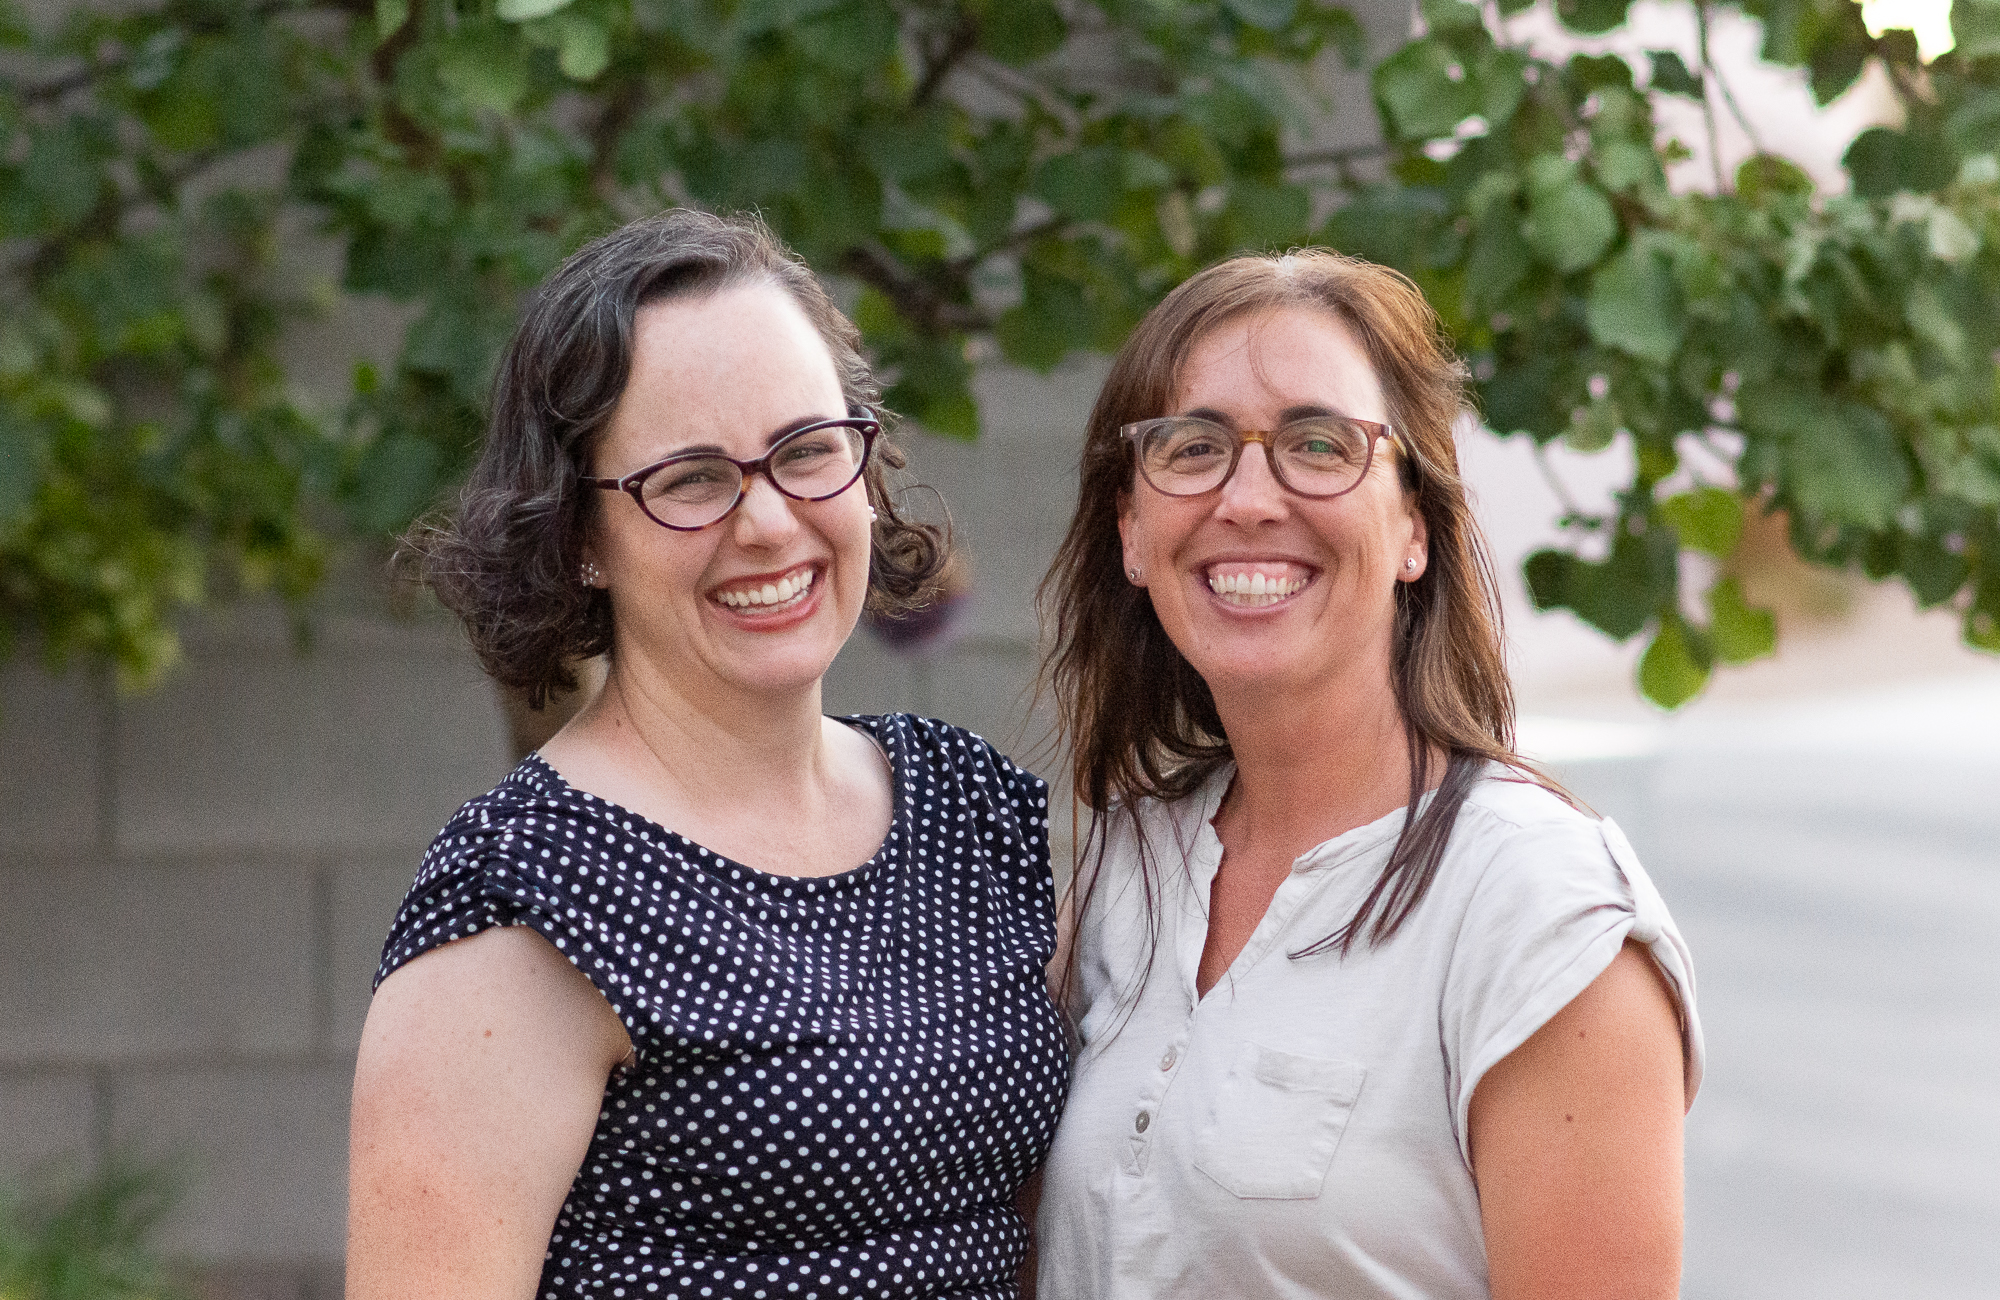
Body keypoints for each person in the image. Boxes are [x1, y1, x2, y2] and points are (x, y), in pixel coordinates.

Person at [347, 210, 1068, 1300]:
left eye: (807, 451)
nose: (770, 522)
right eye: (689, 479)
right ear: (579, 536)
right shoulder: (526, 896)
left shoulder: (968, 809)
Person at [1032, 249, 1703, 1298]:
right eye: (1192, 445)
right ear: (1129, 529)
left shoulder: (1538, 913)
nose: (1247, 497)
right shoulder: (1125, 866)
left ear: (1413, 530)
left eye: (1317, 444)